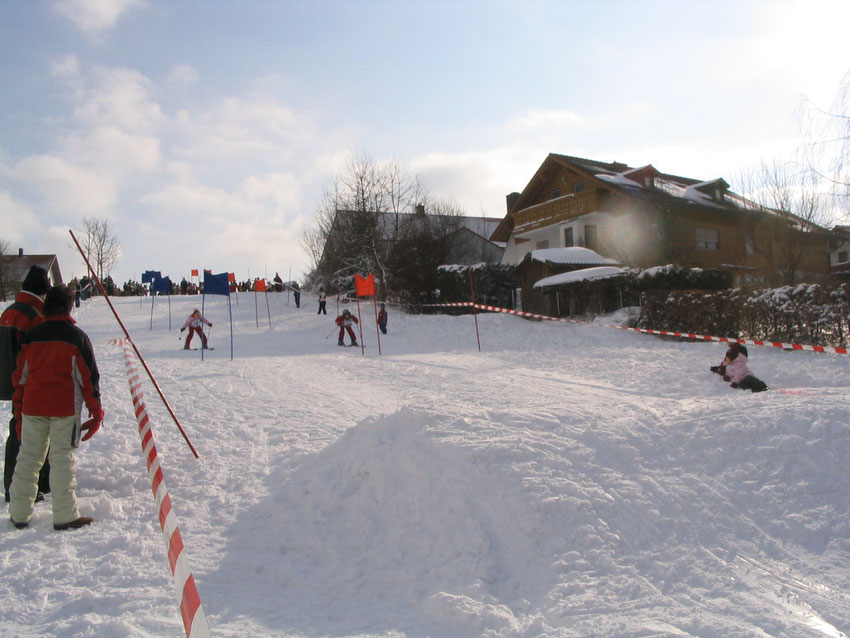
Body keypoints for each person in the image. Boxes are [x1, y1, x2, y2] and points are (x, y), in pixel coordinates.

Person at [9, 285, 102, 530]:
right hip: (64, 410)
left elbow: (20, 377)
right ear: (69, 306)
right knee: (62, 460)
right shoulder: (76, 337)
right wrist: (96, 412)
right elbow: (88, 380)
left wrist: (18, 411)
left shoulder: (32, 336)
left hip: (32, 408)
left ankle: (19, 513)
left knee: (28, 459)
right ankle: (64, 514)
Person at [2, 265, 52, 504]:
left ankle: (16, 483)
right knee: (27, 432)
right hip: (25, 385)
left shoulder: (9, 310)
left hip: (8, 380)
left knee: (19, 428)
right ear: (42, 292)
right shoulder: (34, 316)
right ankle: (23, 485)